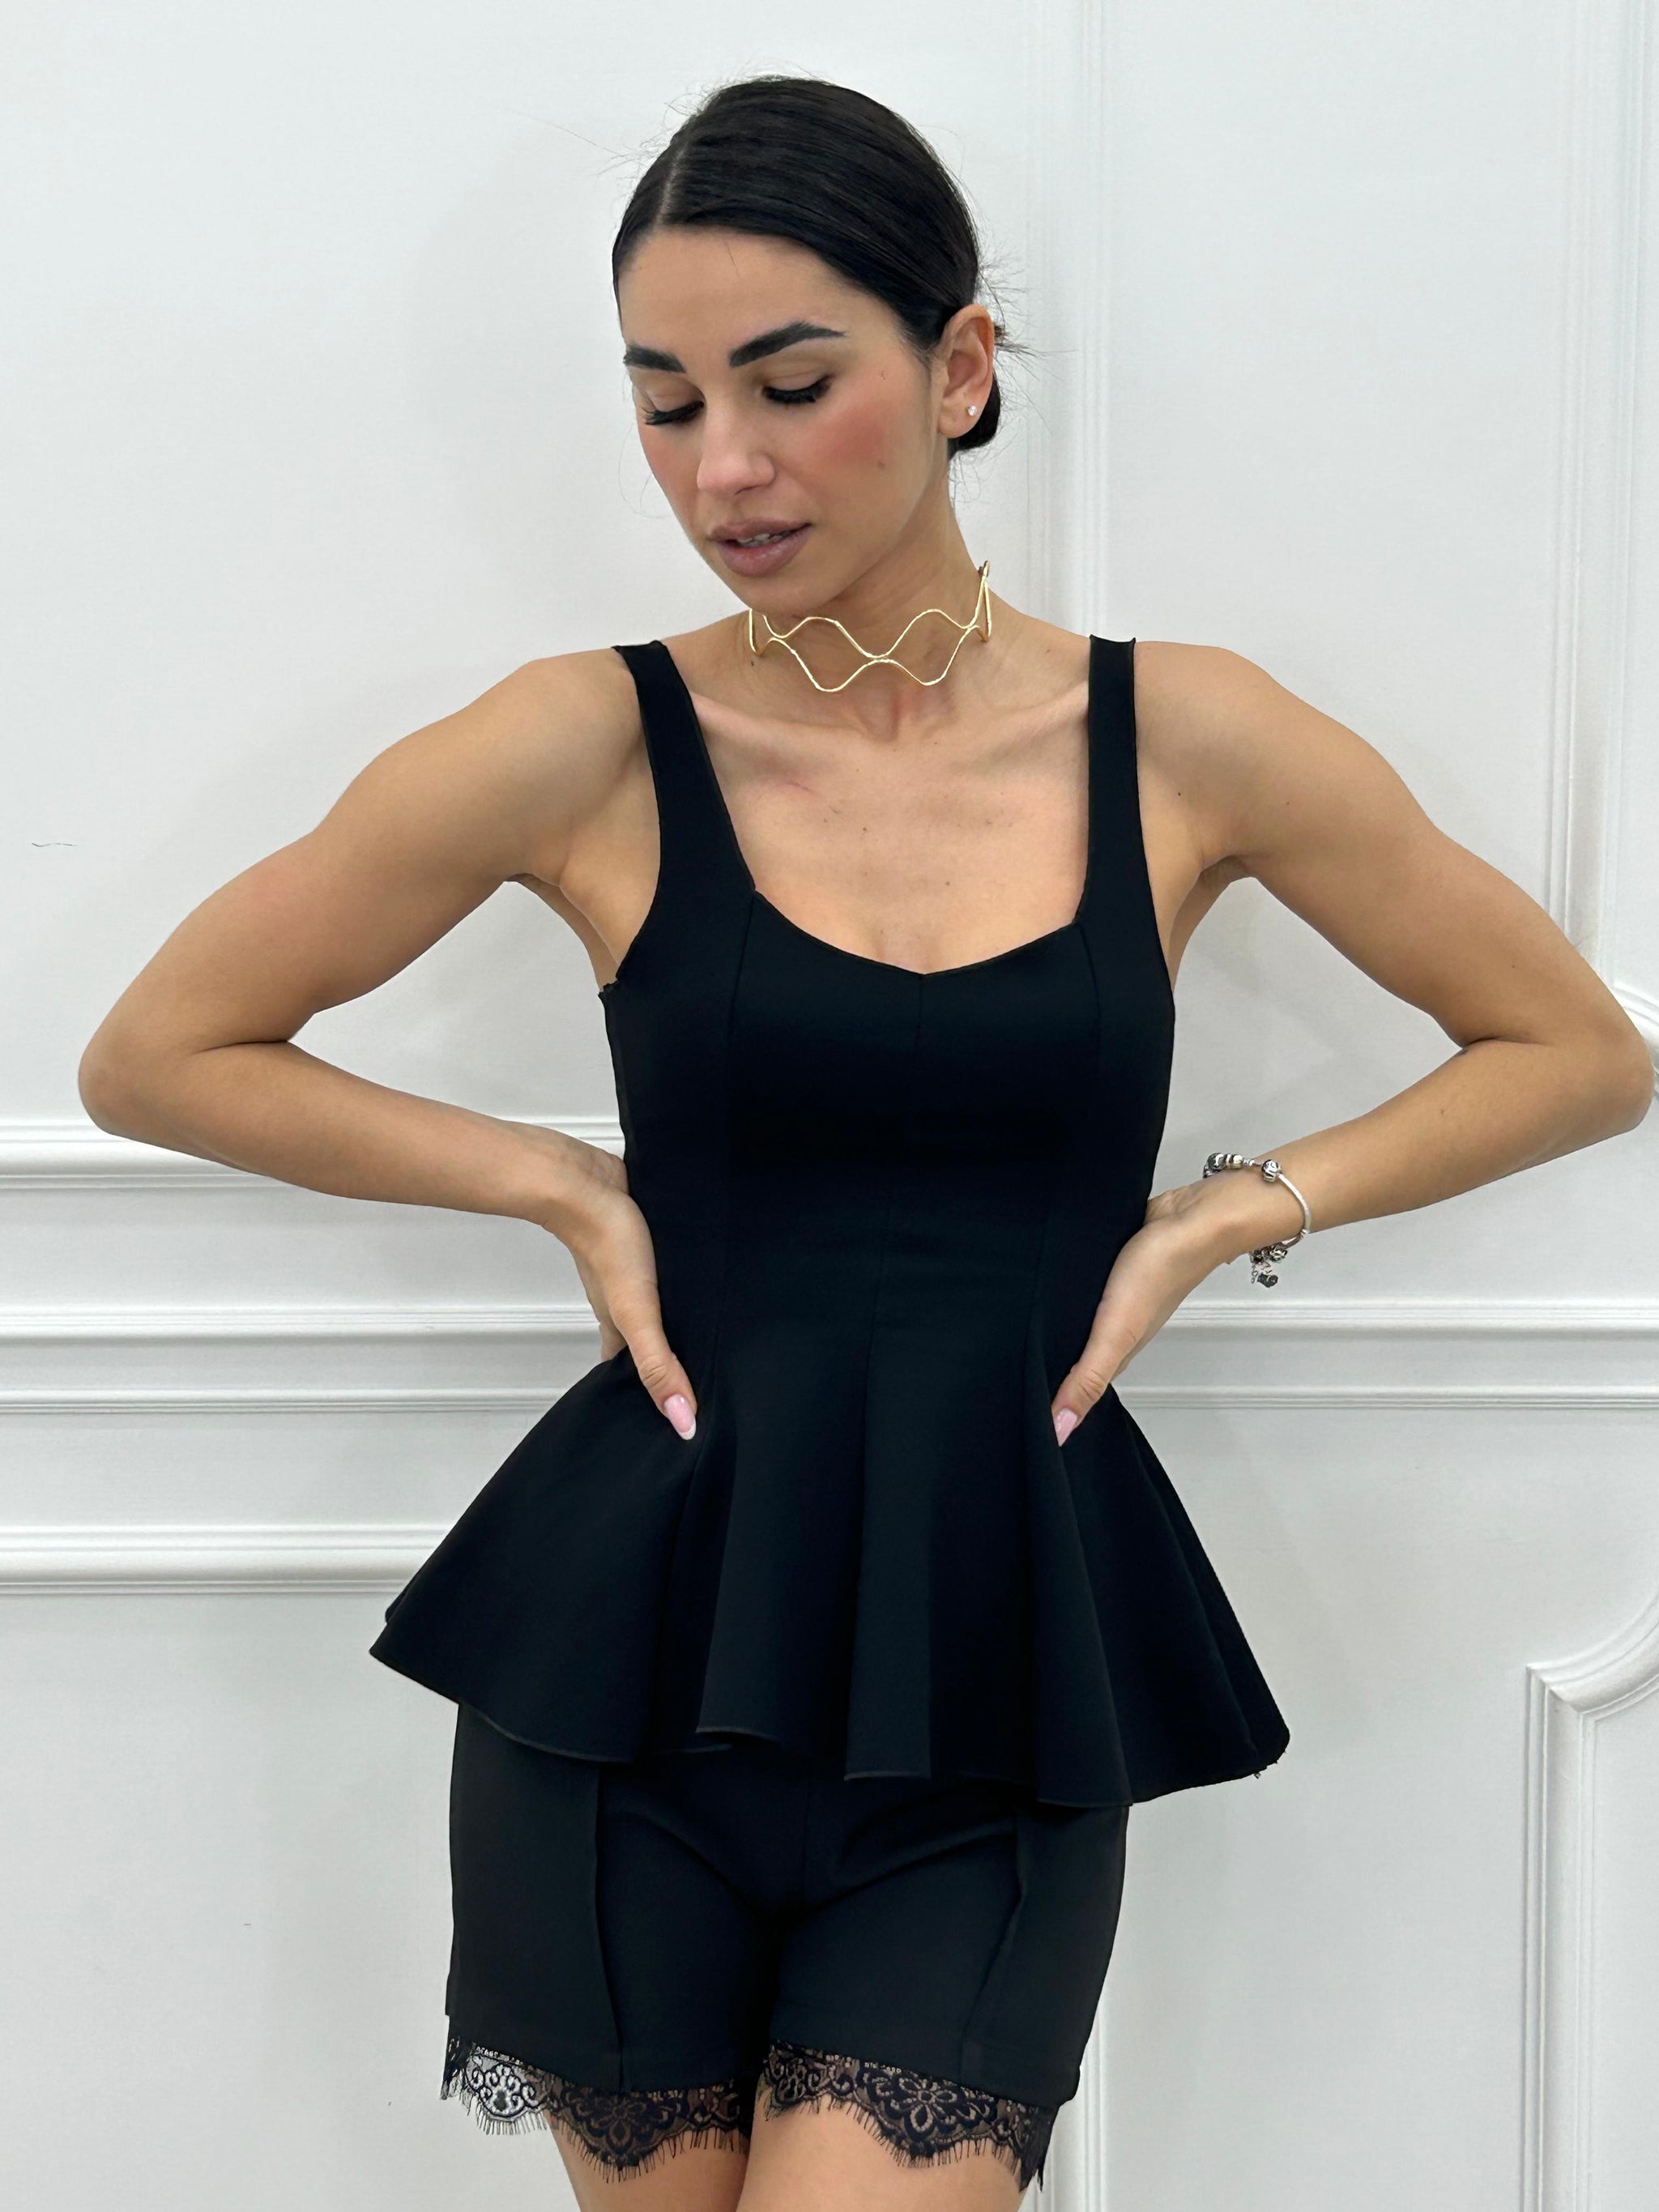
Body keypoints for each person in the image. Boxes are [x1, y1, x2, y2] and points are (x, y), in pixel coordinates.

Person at [79, 69, 1651, 2212]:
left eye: (789, 384)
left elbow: (1575, 1049)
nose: (720, 466)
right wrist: (549, 1178)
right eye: (663, 403)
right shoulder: (585, 739)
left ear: (961, 366)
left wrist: (1232, 1211)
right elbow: (160, 1051)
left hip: (1003, 1665)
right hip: (624, 1675)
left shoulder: (1184, 736)